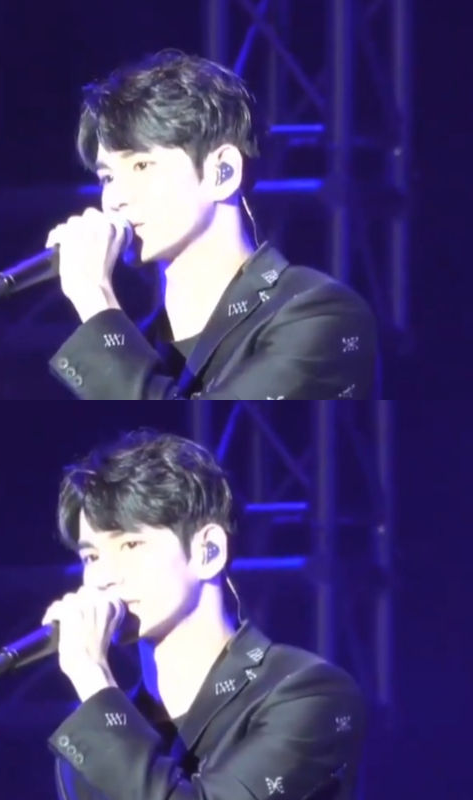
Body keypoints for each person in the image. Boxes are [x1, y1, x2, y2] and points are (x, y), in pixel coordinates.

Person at [43, 430, 366, 799]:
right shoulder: (96, 732)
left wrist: (93, 678)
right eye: (91, 556)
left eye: (131, 544)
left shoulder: (305, 694)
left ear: (208, 551)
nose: (102, 577)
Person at [45, 50, 378, 400]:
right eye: (108, 177)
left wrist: (95, 297)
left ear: (223, 172)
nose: (115, 198)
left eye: (141, 166)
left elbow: (197, 425)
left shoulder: (318, 314)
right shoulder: (137, 347)